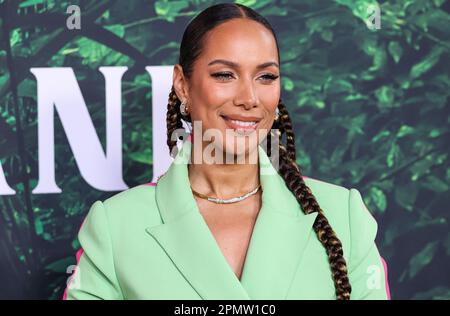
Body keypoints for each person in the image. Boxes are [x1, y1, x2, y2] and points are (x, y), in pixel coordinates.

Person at [63, 3, 390, 300]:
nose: (249, 97)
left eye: (266, 76)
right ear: (182, 85)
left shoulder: (343, 216)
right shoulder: (115, 225)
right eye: (224, 75)